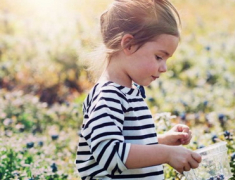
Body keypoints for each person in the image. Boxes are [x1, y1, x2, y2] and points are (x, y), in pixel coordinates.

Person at [75, 0, 202, 179]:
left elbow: (126, 143)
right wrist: (166, 154)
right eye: (159, 57)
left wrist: (162, 141)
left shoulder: (128, 92)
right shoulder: (109, 95)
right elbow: (110, 153)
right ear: (129, 45)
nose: (164, 67)